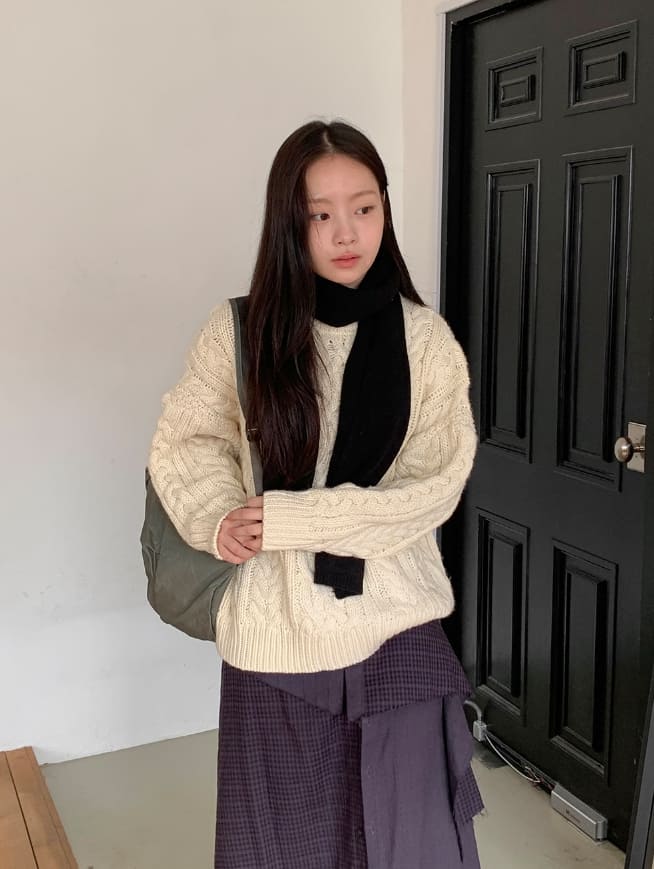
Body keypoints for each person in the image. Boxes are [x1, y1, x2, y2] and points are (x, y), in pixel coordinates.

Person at [148, 120, 484, 868]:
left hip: (397, 629)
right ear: (287, 222)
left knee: (409, 845)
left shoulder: (426, 340)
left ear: (385, 208)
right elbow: (186, 440)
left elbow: (432, 486)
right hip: (275, 635)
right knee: (282, 848)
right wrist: (216, 516)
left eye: (364, 208)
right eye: (319, 214)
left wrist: (289, 519)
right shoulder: (239, 331)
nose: (346, 233)